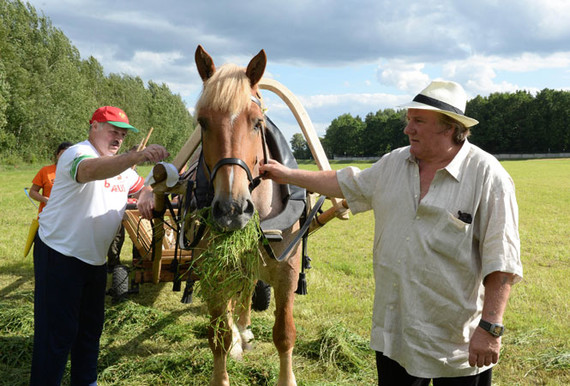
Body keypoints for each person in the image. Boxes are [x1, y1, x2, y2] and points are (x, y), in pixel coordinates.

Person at [260, 81, 523, 385]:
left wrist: (490, 329)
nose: (407, 129)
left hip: (456, 342)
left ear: (450, 128)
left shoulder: (488, 176)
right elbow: (344, 184)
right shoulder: (395, 163)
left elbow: (501, 263)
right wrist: (285, 173)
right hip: (395, 334)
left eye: (418, 121)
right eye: (408, 119)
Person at [31, 106, 169, 386]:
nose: (118, 138)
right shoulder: (78, 154)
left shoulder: (122, 168)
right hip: (60, 254)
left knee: (90, 331)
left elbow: (142, 184)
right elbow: (91, 171)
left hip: (94, 261)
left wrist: (146, 189)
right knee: (56, 334)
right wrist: (137, 156)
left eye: (123, 133)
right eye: (112, 131)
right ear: (93, 127)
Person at [29, 141, 73, 214]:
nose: (65, 157)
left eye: (68, 155)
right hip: (48, 215)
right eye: (62, 154)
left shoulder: (77, 172)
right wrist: (44, 199)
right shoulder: (45, 171)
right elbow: (32, 192)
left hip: (69, 215)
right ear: (57, 155)